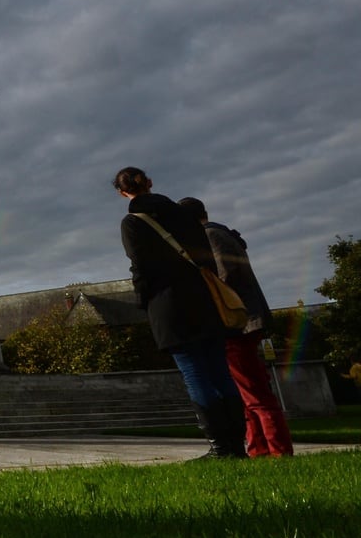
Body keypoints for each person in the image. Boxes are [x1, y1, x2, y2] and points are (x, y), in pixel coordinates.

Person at [113, 167, 245, 459]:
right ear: (149, 183)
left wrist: (142, 299)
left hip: (168, 303)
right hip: (204, 297)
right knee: (220, 372)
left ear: (123, 193)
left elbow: (140, 265)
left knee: (195, 373)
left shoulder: (133, 222)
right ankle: (237, 446)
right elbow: (206, 257)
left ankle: (219, 447)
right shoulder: (184, 214)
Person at [177, 198, 293, 457]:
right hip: (242, 322)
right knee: (248, 393)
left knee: (254, 393)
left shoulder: (211, 236)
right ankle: (260, 448)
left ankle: (277, 450)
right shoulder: (221, 233)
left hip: (236, 324)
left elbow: (223, 279)